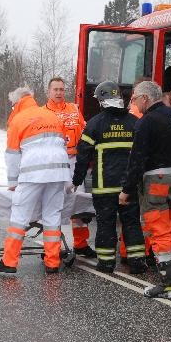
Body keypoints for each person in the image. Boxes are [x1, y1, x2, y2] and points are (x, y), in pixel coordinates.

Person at [119, 80, 171, 299]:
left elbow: (137, 159)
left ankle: (169, 285)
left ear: (145, 98)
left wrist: (127, 189)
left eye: (135, 98)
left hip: (156, 180)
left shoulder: (146, 122)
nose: (133, 102)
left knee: (160, 231)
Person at [0, 87, 71, 274]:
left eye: (12, 105)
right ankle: (52, 262)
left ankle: (9, 262)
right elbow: (62, 144)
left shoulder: (18, 119)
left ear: (17, 102)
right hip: (58, 172)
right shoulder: (52, 116)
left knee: (20, 217)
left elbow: (12, 155)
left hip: (32, 174)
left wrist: (13, 183)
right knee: (52, 217)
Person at [73, 81, 147, 274]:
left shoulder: (95, 124)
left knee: (105, 224)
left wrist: (76, 180)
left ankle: (106, 263)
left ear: (102, 101)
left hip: (104, 187)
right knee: (131, 223)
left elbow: (83, 155)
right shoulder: (135, 123)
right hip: (128, 187)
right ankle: (138, 261)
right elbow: (142, 155)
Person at [43, 76, 96, 258]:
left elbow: (84, 130)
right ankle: (53, 247)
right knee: (55, 204)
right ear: (48, 91)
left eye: (61, 89)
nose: (59, 92)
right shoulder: (43, 112)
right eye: (55, 89)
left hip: (74, 160)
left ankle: (81, 244)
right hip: (54, 163)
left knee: (78, 201)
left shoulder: (74, 109)